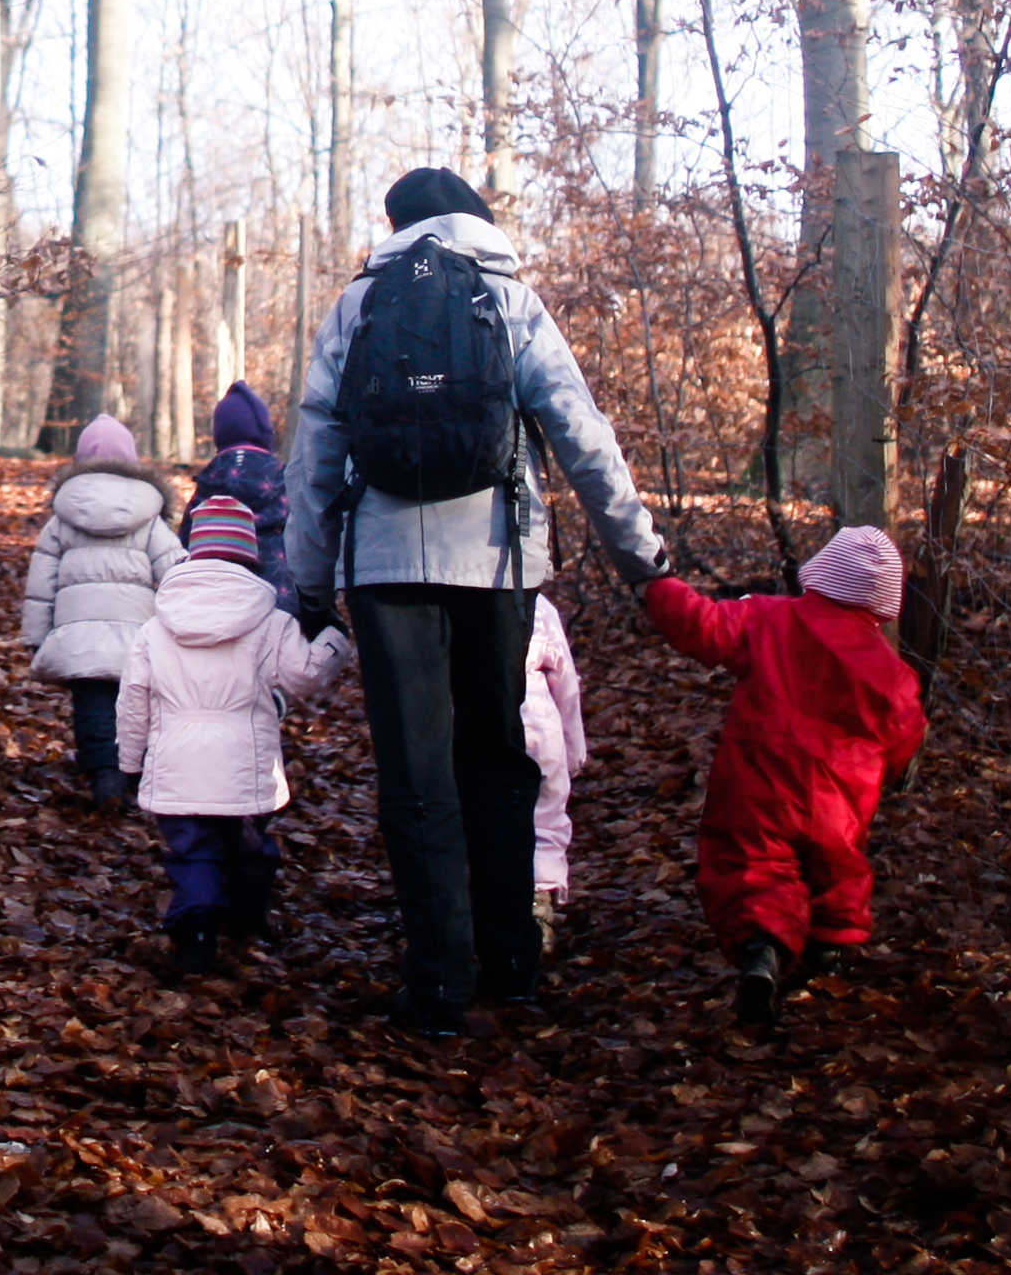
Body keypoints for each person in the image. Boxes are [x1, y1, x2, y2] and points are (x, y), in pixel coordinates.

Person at [283, 165, 669, 1033]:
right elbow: (579, 429)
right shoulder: (509, 297)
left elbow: (313, 449)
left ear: (394, 227)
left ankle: (439, 982)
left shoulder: (358, 307)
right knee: (496, 755)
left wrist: (308, 582)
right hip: (497, 563)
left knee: (417, 773)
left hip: (383, 569)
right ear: (477, 220)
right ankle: (513, 960)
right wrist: (640, 556)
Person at [642, 523, 928, 1028]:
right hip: (838, 799)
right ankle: (830, 946)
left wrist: (657, 585)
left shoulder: (769, 619)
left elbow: (703, 625)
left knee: (754, 866)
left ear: (820, 573)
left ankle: (764, 950)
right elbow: (905, 730)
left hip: (758, 781)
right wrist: (900, 768)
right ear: (884, 602)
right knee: (837, 866)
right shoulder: (890, 670)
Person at [116, 494, 353, 975]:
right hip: (244, 763)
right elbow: (305, 676)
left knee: (192, 848)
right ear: (250, 554)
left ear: (191, 552)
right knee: (248, 844)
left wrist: (129, 762)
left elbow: (133, 699)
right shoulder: (269, 620)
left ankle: (197, 928)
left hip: (177, 763)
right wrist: (333, 637)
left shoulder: (156, 626)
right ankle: (247, 916)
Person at [17, 410, 180, 809]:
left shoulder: (61, 519)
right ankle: (133, 771)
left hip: (79, 636)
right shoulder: (150, 518)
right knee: (136, 706)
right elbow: (177, 574)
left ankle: (103, 773)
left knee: (92, 705)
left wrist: (35, 639)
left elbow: (41, 586)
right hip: (137, 638)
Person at [519, 596, 589, 929]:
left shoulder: (459, 600)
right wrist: (574, 747)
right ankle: (538, 903)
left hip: (486, 722)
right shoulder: (539, 606)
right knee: (544, 822)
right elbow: (565, 684)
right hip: (540, 728)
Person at [189, 383, 289, 586]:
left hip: (213, 593)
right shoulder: (281, 475)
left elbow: (185, 537)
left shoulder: (211, 475)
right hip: (278, 589)